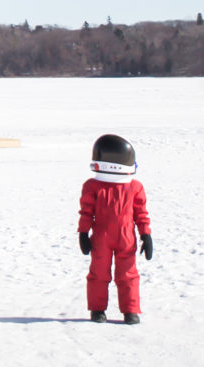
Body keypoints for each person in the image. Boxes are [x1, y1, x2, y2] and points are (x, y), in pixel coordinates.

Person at [78, 134, 153, 325]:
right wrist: (83, 233)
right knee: (98, 273)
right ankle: (97, 309)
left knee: (128, 274)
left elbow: (140, 212)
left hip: (126, 238)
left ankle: (130, 310)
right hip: (102, 237)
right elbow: (86, 212)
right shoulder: (93, 186)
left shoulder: (134, 187)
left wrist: (146, 234)